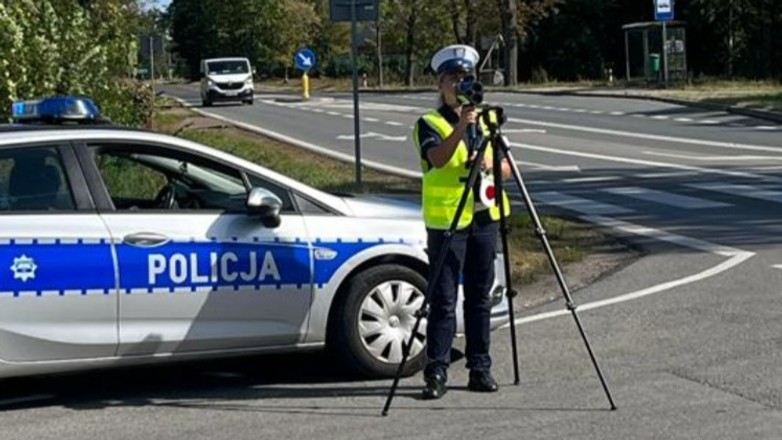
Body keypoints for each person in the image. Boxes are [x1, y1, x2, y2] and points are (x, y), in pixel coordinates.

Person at [413, 44, 512, 400]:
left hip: (484, 218)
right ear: (440, 85)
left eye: (465, 77)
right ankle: (436, 370)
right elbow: (438, 159)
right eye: (453, 78)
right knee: (442, 300)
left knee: (479, 298)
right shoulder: (429, 123)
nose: (460, 84)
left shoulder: (488, 119)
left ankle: (479, 368)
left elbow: (507, 167)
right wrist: (460, 127)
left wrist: (488, 165)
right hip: (446, 223)